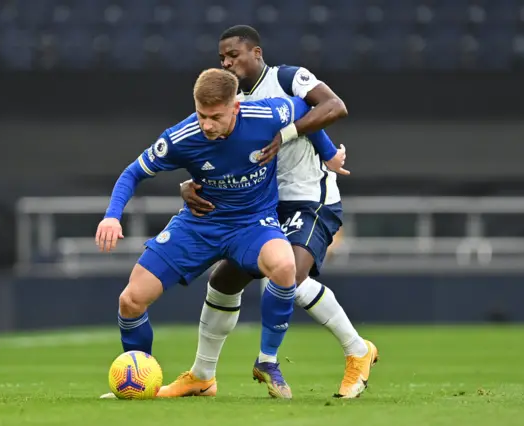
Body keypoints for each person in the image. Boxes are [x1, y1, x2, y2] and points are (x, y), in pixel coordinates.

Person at [164, 25, 378, 400]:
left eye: (233, 55)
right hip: (265, 206)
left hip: (311, 198)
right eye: (222, 58)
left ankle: (357, 351)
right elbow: (206, 149)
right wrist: (187, 184)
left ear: (256, 53)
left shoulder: (287, 79)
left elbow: (333, 107)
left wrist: (293, 137)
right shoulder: (230, 103)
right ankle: (202, 375)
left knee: (289, 278)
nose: (227, 62)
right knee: (223, 281)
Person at [97, 68, 337, 400]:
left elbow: (306, 111)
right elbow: (132, 173)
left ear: (235, 107)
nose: (207, 124)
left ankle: (267, 361)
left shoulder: (267, 114)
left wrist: (327, 153)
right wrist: (112, 217)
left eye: (215, 116)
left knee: (284, 267)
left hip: (252, 223)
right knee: (131, 300)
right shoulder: (181, 137)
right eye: (201, 115)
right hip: (200, 225)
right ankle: (140, 379)